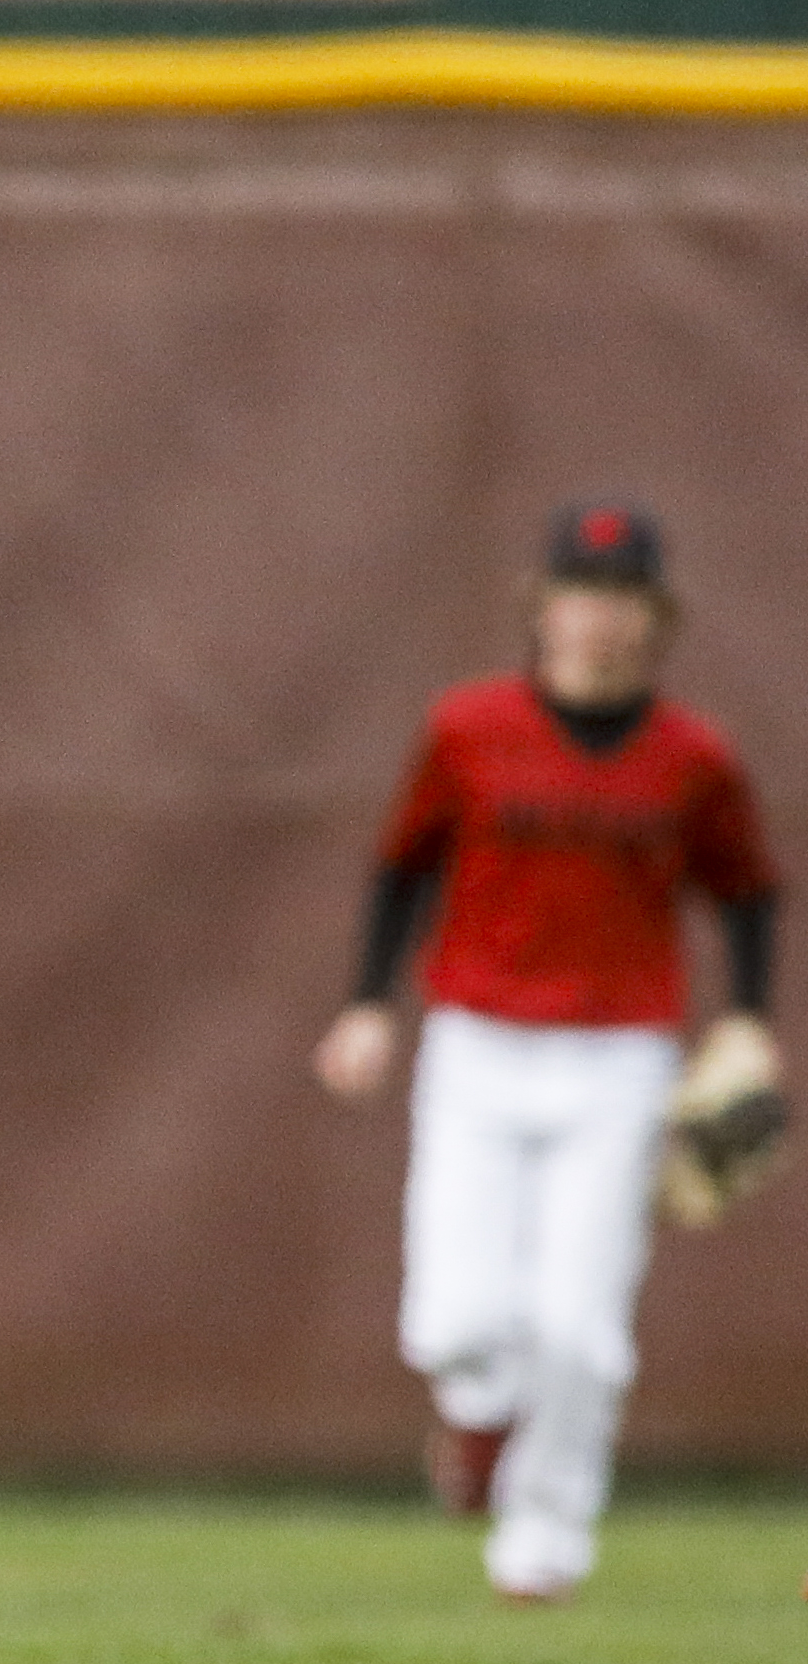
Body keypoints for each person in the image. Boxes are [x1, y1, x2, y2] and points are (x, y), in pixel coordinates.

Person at [313, 500, 777, 1603]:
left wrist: (750, 1017)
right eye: (582, 596)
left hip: (620, 1055)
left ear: (657, 619)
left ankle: (547, 1536)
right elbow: (403, 865)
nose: (600, 622)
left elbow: (749, 891)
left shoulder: (692, 758)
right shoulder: (470, 730)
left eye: (625, 601)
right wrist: (369, 1003)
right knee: (456, 1319)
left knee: (578, 1322)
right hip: (477, 1041)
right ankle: (478, 1423)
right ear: (544, 607)